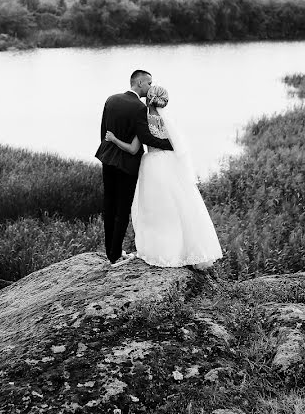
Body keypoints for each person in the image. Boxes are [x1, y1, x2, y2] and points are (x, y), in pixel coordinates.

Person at [104, 85, 222, 269]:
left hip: (152, 165)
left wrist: (113, 139)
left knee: (155, 209)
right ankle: (182, 250)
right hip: (170, 163)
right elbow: (177, 144)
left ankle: (160, 251)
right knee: (178, 205)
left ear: (148, 99)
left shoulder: (142, 118)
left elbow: (135, 147)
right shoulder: (167, 120)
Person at [95, 70, 174, 265]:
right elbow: (145, 137)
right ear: (139, 82)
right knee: (122, 209)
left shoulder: (111, 100)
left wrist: (109, 150)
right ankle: (114, 256)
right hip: (127, 165)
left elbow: (103, 131)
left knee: (109, 205)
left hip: (108, 159)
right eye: (148, 83)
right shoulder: (139, 108)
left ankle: (110, 252)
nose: (150, 87)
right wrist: (171, 146)